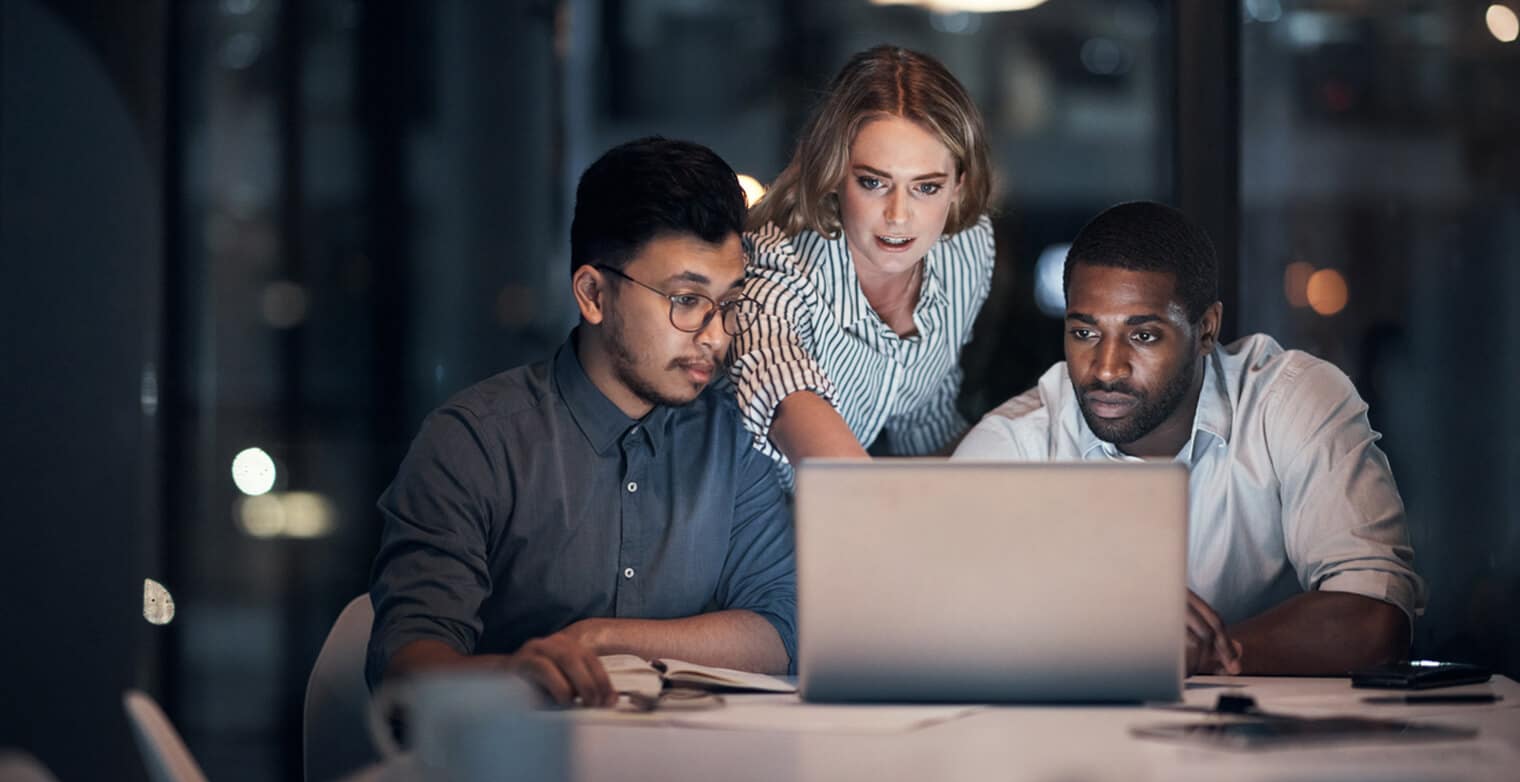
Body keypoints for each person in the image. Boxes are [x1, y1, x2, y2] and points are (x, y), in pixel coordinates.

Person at [366, 137, 796, 706]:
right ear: (594, 294)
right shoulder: (476, 442)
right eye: (686, 300)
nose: (716, 336)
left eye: (728, 303)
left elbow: (780, 628)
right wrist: (522, 675)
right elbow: (406, 665)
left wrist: (603, 640)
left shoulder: (736, 436)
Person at [954, 201, 1423, 676]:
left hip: (1275, 743)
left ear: (1206, 331)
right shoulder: (1012, 448)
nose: (1107, 368)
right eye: (1084, 333)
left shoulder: (1288, 403)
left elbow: (1376, 619)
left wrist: (1192, 655)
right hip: (1072, 745)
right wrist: (1104, 636)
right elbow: (937, 631)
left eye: (1143, 337)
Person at [730, 45, 996, 485]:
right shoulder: (777, 267)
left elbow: (923, 420)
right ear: (835, 173)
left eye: (926, 188)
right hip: (742, 525)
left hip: (855, 512)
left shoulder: (964, 249)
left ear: (958, 186)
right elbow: (782, 391)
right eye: (873, 182)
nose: (898, 215)